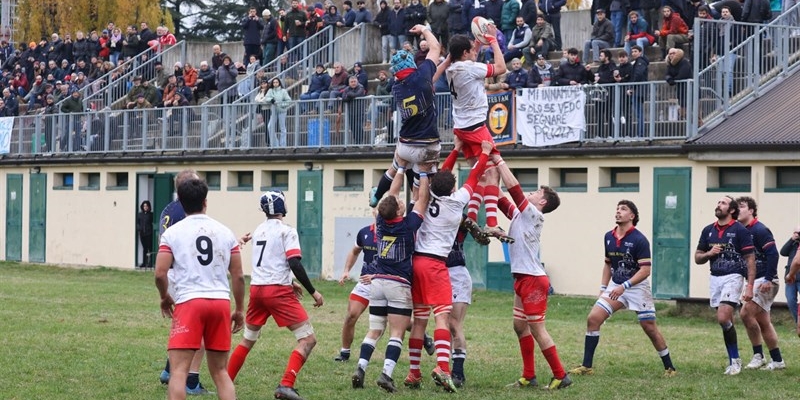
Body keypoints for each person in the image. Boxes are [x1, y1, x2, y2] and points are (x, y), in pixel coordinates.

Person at [404, 139, 492, 392]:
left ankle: (413, 373)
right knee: (441, 317)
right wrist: (484, 153)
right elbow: (474, 176)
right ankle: (443, 368)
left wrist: (455, 149)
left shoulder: (426, 194)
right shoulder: (456, 203)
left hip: (416, 262)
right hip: (435, 265)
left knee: (419, 320)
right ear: (454, 188)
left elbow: (443, 175)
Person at [154, 178, 245, 400]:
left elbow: (159, 273)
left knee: (178, 372)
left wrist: (165, 296)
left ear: (180, 203)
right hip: (220, 303)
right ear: (205, 201)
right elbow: (238, 276)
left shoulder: (172, 233)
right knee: (221, 372)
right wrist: (240, 309)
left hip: (190, 302)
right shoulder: (225, 232)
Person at [227, 191, 324, 400]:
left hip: (257, 289)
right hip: (277, 291)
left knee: (248, 340)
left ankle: (224, 382)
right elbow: (294, 262)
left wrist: (291, 281)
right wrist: (313, 292)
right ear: (282, 207)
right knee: (308, 339)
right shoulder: (287, 231)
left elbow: (271, 261)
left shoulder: (259, 230)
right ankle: (286, 385)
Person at [569, 200, 677, 377]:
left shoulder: (639, 239)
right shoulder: (608, 236)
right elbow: (608, 264)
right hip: (615, 286)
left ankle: (670, 367)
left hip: (637, 288)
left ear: (632, 216)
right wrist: (604, 288)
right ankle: (586, 366)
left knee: (649, 327)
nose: (618, 212)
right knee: (593, 319)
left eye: (623, 209)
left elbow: (645, 270)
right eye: (617, 208)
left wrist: (624, 286)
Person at [489, 159, 570, 390]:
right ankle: (529, 376)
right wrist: (489, 176)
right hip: (522, 278)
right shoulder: (522, 214)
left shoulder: (533, 213)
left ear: (542, 201)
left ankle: (561, 375)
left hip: (533, 280)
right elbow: (500, 198)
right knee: (519, 326)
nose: (530, 193)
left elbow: (513, 190)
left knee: (537, 328)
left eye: (535, 192)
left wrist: (498, 160)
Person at [352, 164, 432, 393]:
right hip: (399, 283)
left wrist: (400, 168)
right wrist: (424, 174)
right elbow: (423, 199)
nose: (400, 202)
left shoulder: (379, 221)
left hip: (376, 282)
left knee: (374, 330)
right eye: (399, 204)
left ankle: (360, 367)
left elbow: (390, 195)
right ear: (398, 212)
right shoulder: (409, 225)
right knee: (396, 333)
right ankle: (386, 374)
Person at [437, 29, 511, 244]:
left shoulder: (452, 68)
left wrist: (476, 44)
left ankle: (470, 217)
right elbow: (501, 68)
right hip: (476, 127)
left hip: (461, 127)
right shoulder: (470, 69)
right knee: (492, 172)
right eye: (471, 50)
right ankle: (491, 221)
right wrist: (493, 42)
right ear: (465, 53)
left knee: (479, 174)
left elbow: (471, 59)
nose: (474, 52)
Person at [369, 24, 441, 208]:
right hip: (428, 143)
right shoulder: (423, 74)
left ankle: (377, 196)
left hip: (406, 142)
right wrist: (425, 29)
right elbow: (435, 48)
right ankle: (416, 213)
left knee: (397, 166)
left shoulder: (396, 86)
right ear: (412, 64)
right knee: (421, 189)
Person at [157, 170, 212, 396]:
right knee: (199, 328)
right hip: (182, 275)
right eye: (198, 180)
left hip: (170, 274)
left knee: (181, 324)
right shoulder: (188, 212)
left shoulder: (168, 209)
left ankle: (170, 370)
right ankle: (191, 380)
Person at [694, 195, 756, 375]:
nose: (718, 205)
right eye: (718, 202)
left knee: (722, 317)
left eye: (723, 203)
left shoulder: (740, 231)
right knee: (725, 322)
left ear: (732, 210)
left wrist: (750, 285)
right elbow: (697, 258)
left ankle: (735, 361)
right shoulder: (708, 230)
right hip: (715, 278)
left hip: (734, 276)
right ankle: (733, 359)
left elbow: (750, 259)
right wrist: (709, 254)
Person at [736, 197, 784, 370]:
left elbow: (773, 254)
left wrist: (769, 279)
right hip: (753, 280)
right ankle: (777, 361)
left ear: (751, 210)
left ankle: (758, 355)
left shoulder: (760, 229)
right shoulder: (739, 232)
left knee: (745, 313)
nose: (737, 209)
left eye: (741, 206)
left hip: (765, 279)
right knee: (763, 322)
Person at [335, 211, 380, 362]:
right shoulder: (365, 232)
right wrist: (346, 270)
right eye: (379, 211)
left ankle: (424, 337)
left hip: (386, 283)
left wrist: (376, 276)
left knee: (399, 321)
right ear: (375, 212)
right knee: (350, 316)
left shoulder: (396, 233)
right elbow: (355, 251)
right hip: (365, 283)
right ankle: (344, 353)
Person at [781, 225, 800, 324]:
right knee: (791, 301)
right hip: (790, 278)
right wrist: (791, 239)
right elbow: (783, 252)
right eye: (796, 232)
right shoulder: (793, 244)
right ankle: (798, 323)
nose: (797, 235)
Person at [265, 77, 292, 147]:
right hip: (274, 111)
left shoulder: (283, 91)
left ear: (279, 83)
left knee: (282, 127)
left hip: (282, 111)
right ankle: (275, 144)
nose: (275, 84)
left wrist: (281, 105)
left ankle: (283, 145)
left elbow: (289, 100)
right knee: (270, 126)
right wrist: (271, 100)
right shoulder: (271, 90)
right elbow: (266, 98)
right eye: (274, 82)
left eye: (276, 82)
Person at [136, 200, 154, 269]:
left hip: (149, 234)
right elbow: (138, 223)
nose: (145, 207)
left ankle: (150, 263)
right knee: (144, 248)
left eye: (146, 206)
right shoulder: (140, 215)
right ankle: (144, 263)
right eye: (144, 206)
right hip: (142, 234)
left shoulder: (151, 214)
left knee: (150, 248)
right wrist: (139, 228)